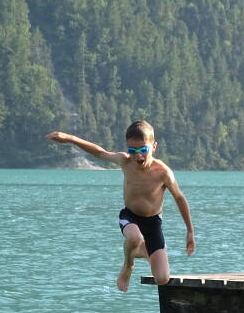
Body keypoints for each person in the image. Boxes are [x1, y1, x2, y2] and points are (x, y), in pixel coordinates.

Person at [45, 120, 195, 291]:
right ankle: (128, 264)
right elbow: (99, 152)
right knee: (134, 238)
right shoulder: (125, 161)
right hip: (130, 216)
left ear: (153, 147)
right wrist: (70, 138)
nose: (138, 156)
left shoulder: (163, 172)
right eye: (132, 151)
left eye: (143, 150)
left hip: (153, 223)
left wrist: (190, 231)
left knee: (162, 278)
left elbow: (179, 198)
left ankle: (141, 250)